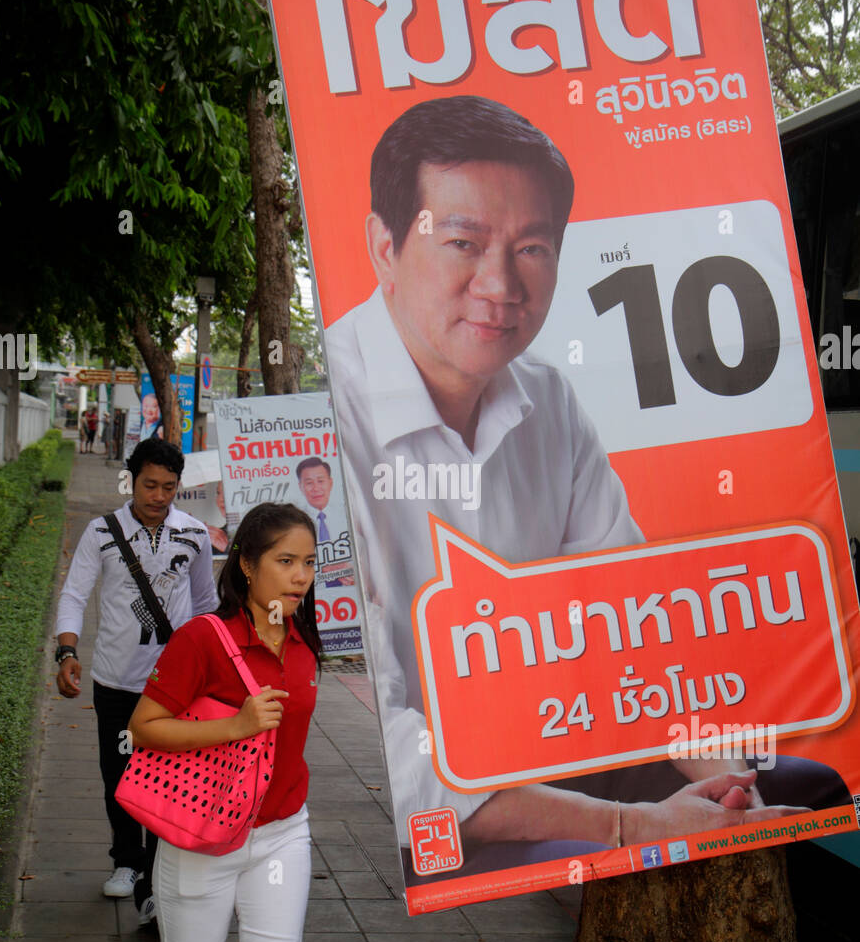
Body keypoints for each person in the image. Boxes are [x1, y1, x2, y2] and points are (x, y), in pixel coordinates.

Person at [325, 95, 835, 876]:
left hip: (562, 740)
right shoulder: (330, 421)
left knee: (800, 789)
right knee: (652, 855)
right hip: (417, 802)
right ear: (384, 247)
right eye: (462, 241)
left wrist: (725, 782)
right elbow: (389, 752)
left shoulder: (549, 401)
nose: (500, 285)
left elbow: (633, 631)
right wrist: (628, 826)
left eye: (532, 248)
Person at [109, 503, 321, 942]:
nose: (300, 576)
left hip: (283, 836)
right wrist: (235, 724)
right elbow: (142, 726)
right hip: (202, 839)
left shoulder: (307, 638)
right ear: (248, 567)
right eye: (285, 561)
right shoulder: (204, 637)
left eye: (309, 562)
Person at [54, 439, 218, 921]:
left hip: (175, 686)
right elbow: (74, 594)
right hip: (116, 680)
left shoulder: (194, 535)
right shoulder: (101, 532)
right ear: (131, 481)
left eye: (169, 486)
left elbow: (206, 604)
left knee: (168, 779)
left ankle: (155, 876)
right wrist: (67, 650)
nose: (159, 495)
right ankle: (126, 862)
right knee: (120, 775)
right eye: (150, 485)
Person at [295, 456, 353, 586]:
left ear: (330, 483)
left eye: (320, 481)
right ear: (300, 487)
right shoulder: (293, 523)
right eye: (309, 483)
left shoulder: (348, 515)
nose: (316, 488)